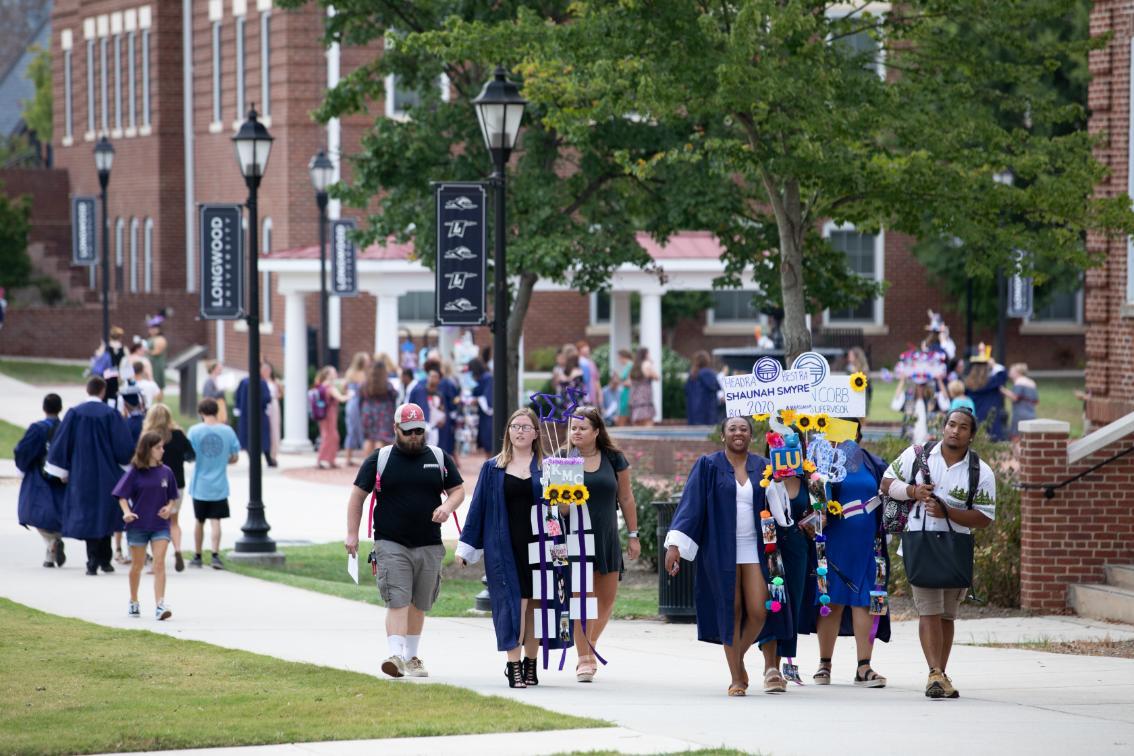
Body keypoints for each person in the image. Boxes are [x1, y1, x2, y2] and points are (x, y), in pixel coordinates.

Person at [664, 416, 793, 695]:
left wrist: (779, 483)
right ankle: (736, 678)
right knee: (730, 609)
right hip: (720, 548)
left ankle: (739, 658)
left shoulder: (764, 466)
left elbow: (780, 509)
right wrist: (674, 546)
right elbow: (690, 506)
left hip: (756, 547)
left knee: (759, 610)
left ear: (750, 436)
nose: (738, 433)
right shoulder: (708, 465)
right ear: (723, 436)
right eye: (732, 429)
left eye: (744, 429)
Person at [880, 407, 996, 699]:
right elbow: (886, 483)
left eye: (963, 427)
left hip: (955, 548)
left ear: (971, 435)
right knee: (929, 610)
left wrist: (948, 511)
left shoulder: (980, 471)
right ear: (944, 427)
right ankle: (934, 672)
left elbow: (984, 517)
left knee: (946, 615)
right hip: (920, 544)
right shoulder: (918, 455)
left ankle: (940, 675)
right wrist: (913, 492)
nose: (955, 430)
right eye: (951, 424)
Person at [344, 403, 466, 679]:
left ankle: (411, 657)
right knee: (398, 599)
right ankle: (396, 655)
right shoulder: (380, 458)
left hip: (429, 542)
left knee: (419, 603)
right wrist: (352, 533)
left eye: (418, 431)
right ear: (396, 428)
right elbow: (357, 496)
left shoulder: (438, 457)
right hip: (391, 541)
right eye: (408, 431)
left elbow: (458, 490)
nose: (414, 436)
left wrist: (447, 507)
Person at [456, 408, 547, 688]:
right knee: (512, 604)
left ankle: (531, 665)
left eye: (526, 427)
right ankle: (514, 665)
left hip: (540, 546)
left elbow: (562, 509)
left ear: (536, 433)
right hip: (504, 546)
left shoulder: (547, 467)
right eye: (515, 426)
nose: (520, 431)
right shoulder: (493, 467)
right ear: (508, 432)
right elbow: (478, 507)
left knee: (536, 606)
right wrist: (466, 548)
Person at [807, 418, 890, 689]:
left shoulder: (872, 463)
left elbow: (888, 493)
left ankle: (864, 666)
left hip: (868, 542)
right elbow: (812, 500)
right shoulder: (820, 463)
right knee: (831, 599)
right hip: (834, 542)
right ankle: (824, 663)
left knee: (867, 600)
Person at [564, 406, 640, 683]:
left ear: (596, 431)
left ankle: (589, 644)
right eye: (573, 427)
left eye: (582, 428)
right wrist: (563, 498)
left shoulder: (613, 457)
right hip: (575, 538)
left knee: (606, 601)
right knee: (582, 600)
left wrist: (633, 534)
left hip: (606, 536)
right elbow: (559, 509)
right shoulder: (563, 458)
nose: (576, 432)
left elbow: (626, 497)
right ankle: (584, 658)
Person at [45, 376, 136, 576]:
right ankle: (105, 560)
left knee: (89, 515)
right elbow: (123, 447)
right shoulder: (111, 414)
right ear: (103, 391)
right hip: (107, 473)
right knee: (105, 513)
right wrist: (126, 465)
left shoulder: (74, 413)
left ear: (87, 390)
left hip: (81, 473)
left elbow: (62, 442)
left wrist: (63, 471)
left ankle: (93, 560)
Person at [114, 430, 179, 620]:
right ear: (148, 449)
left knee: (159, 563)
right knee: (137, 565)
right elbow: (121, 495)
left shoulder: (166, 472)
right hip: (138, 525)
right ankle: (133, 601)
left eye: (162, 447)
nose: (162, 451)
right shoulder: (135, 472)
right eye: (158, 447)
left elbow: (173, 497)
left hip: (160, 525)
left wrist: (169, 508)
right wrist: (126, 512)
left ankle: (160, 604)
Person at [186, 398, 241, 570]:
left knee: (199, 520)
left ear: (201, 412)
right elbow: (235, 457)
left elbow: (189, 456)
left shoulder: (194, 431)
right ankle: (215, 555)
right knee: (216, 520)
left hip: (200, 485)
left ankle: (197, 555)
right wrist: (224, 460)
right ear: (217, 411)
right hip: (219, 484)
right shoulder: (227, 431)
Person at [15, 393, 66, 568]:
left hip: (39, 477)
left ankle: (52, 542)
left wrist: (22, 467)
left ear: (44, 408)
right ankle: (52, 549)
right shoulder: (66, 428)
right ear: (60, 408)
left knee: (35, 513)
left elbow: (22, 451)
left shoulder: (37, 429)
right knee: (59, 514)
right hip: (62, 478)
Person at [142, 404, 193, 573]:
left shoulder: (148, 437)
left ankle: (157, 561)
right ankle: (177, 550)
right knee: (174, 522)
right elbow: (191, 455)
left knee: (155, 523)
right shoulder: (177, 434)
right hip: (176, 483)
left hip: (153, 484)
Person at [964, 346, 1008, 441]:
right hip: (991, 418)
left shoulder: (968, 383)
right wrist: (993, 364)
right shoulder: (991, 382)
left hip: (975, 416)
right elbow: (1003, 373)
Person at [313, 366, 351, 469]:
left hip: (323, 415)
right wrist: (351, 395)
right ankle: (323, 460)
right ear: (328, 375)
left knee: (328, 436)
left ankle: (329, 460)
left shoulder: (321, 385)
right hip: (329, 415)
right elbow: (341, 398)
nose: (336, 374)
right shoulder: (330, 387)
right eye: (334, 372)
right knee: (331, 437)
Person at [360, 360, 398, 457]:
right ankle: (379, 462)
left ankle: (367, 462)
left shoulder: (365, 384)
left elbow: (360, 397)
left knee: (369, 439)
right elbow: (395, 395)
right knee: (381, 439)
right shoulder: (387, 384)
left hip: (368, 412)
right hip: (384, 414)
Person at [235, 372, 274, 465]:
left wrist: (238, 408)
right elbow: (267, 398)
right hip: (260, 415)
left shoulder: (244, 382)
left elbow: (237, 396)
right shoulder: (262, 383)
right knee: (263, 438)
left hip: (245, 415)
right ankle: (267, 459)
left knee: (248, 438)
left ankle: (253, 460)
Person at [343, 352, 371, 467]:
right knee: (359, 430)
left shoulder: (349, 372)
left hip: (351, 403)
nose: (369, 362)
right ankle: (363, 458)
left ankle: (348, 458)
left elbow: (344, 387)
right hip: (358, 405)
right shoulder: (361, 374)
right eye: (367, 360)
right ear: (362, 361)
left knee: (351, 430)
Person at [1001, 363, 1038, 440]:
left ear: (1017, 372)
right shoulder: (1032, 382)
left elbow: (1015, 397)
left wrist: (1003, 390)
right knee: (1028, 437)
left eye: (1011, 371)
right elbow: (1036, 401)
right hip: (1031, 413)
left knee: (1016, 436)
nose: (1009, 373)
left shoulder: (1019, 381)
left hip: (1020, 414)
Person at [684, 350, 721, 425]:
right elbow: (715, 387)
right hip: (707, 413)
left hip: (693, 413)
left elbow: (686, 391)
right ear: (707, 361)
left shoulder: (692, 375)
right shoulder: (708, 373)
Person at [629, 347, 659, 426]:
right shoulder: (646, 364)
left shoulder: (634, 366)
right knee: (648, 422)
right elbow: (656, 377)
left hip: (635, 398)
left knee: (637, 423)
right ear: (645, 354)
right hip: (645, 397)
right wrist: (651, 363)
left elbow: (630, 381)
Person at [469, 357, 494, 452]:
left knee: (489, 440)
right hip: (483, 415)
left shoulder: (488, 378)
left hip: (489, 415)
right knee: (485, 440)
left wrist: (476, 400)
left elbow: (488, 399)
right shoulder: (483, 378)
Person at [262, 361, 282, 466]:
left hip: (273, 405)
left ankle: (273, 453)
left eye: (268, 369)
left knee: (274, 429)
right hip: (264, 405)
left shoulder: (274, 381)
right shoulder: (261, 381)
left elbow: (280, 394)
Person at [846, 347, 872, 415]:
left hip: (862, 397)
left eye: (850, 355)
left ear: (856, 356)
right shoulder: (849, 368)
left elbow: (868, 387)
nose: (849, 357)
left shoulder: (864, 369)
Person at [145, 315, 169, 390]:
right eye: (150, 328)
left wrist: (145, 351)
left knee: (157, 384)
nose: (152, 330)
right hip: (149, 364)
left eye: (154, 328)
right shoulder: (150, 338)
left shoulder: (160, 339)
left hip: (156, 364)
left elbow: (156, 352)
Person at [613, 349, 633, 426]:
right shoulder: (627, 366)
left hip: (628, 392)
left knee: (624, 415)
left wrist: (619, 381)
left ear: (623, 357)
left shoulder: (630, 365)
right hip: (625, 392)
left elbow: (630, 382)